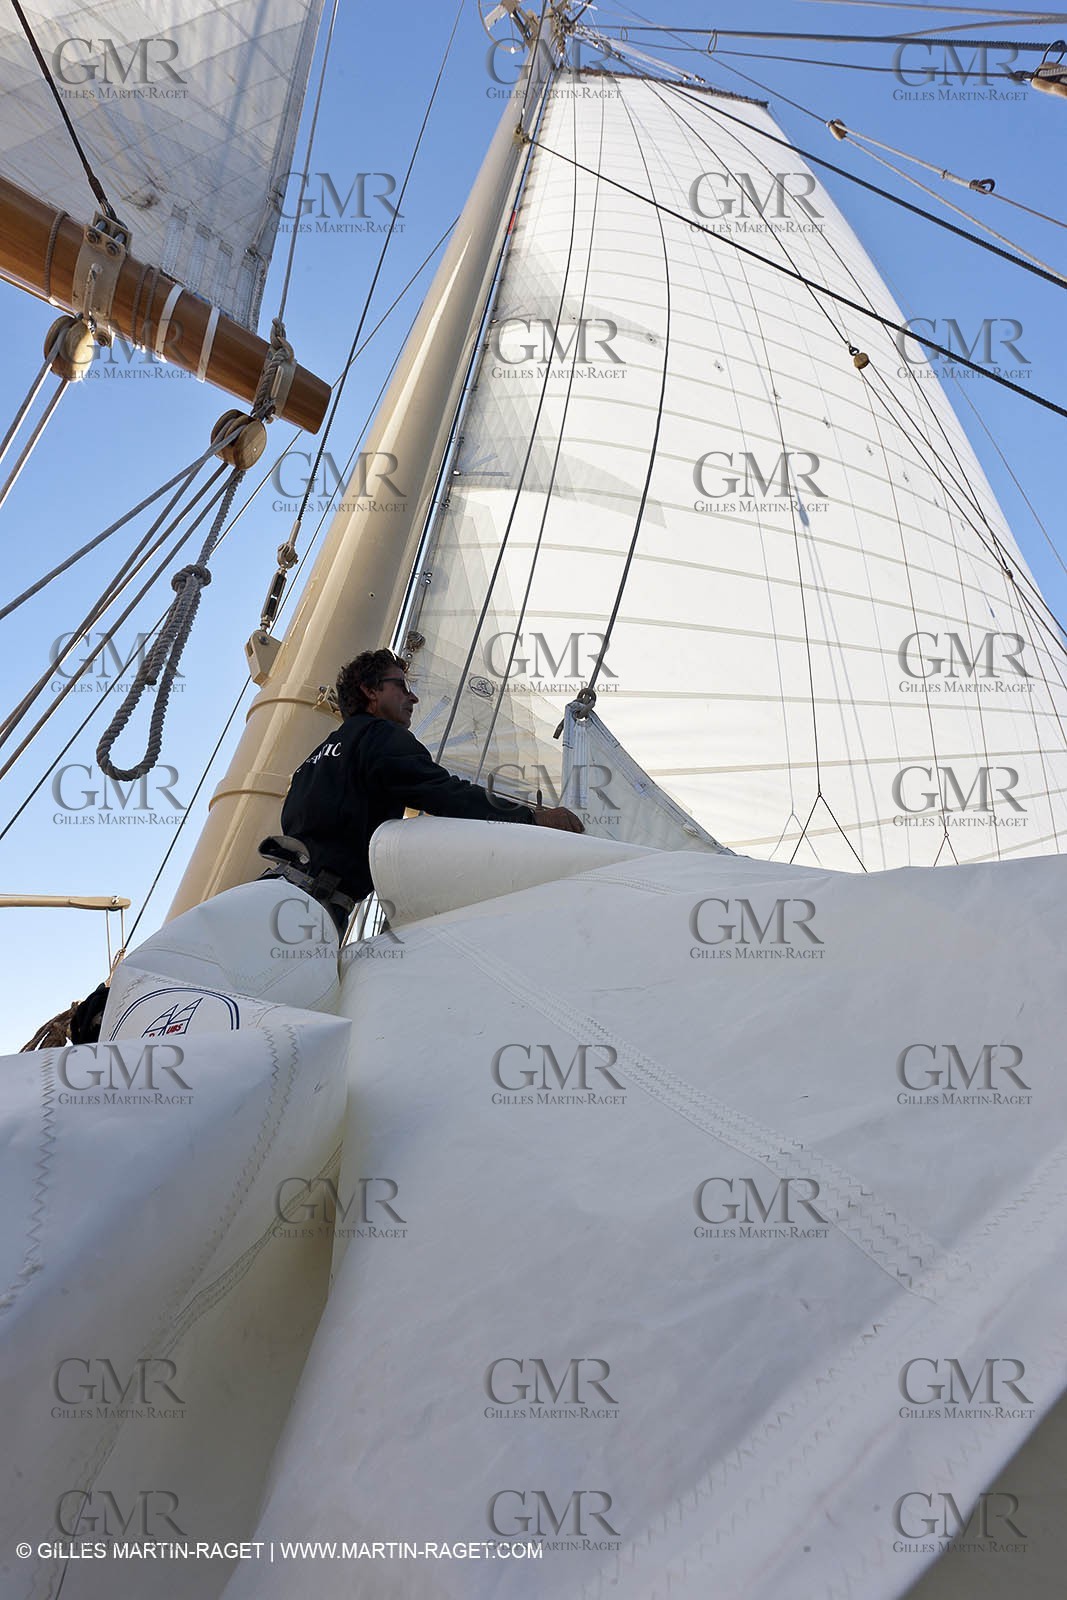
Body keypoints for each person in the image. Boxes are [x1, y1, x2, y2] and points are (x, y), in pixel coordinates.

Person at [259, 649, 583, 935]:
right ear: (370, 690)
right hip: (310, 910)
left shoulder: (314, 758)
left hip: (272, 893)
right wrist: (530, 817)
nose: (413, 698)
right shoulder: (380, 736)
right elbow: (445, 794)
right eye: (401, 686)